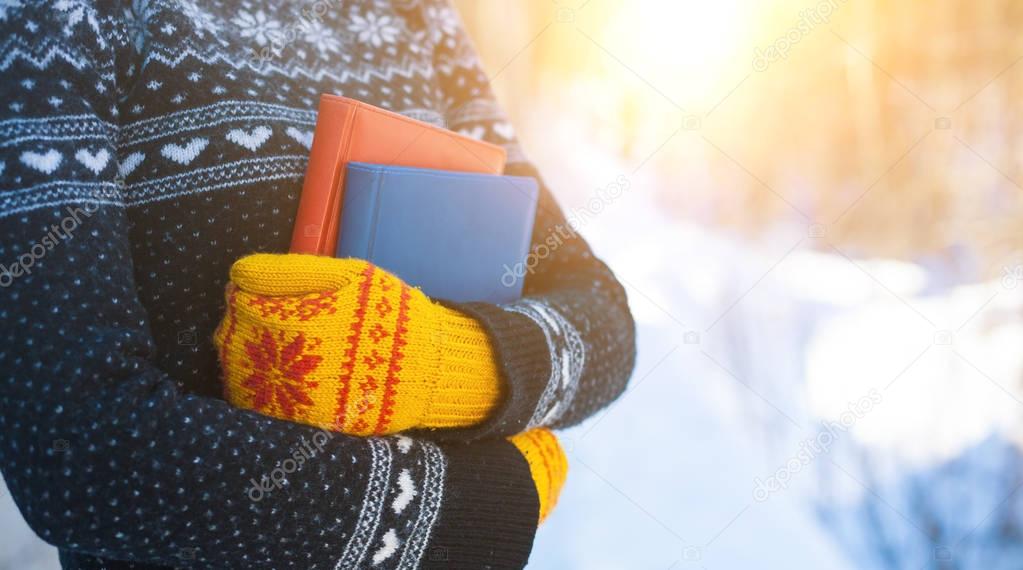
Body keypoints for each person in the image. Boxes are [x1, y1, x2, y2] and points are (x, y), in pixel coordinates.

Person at [0, 1, 636, 568]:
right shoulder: (59, 17)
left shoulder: (418, 15)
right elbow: (74, 446)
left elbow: (601, 312)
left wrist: (436, 364)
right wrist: (476, 503)